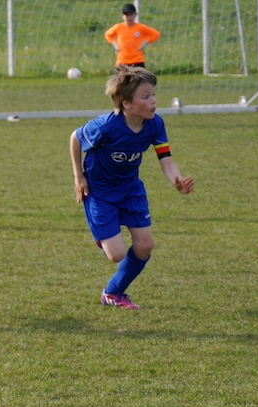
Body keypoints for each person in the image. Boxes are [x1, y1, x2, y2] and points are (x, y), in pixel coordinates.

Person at [69, 65, 194, 309]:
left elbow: (166, 160)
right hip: (100, 193)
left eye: (153, 94)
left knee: (145, 246)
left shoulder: (155, 124)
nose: (153, 101)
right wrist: (78, 176)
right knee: (116, 255)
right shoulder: (105, 127)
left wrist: (176, 181)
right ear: (126, 103)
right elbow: (75, 137)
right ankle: (105, 236)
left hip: (131, 190)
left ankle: (113, 293)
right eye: (145, 97)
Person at [104, 3, 161, 68]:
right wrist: (115, 44)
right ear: (122, 16)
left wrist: (145, 42)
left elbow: (156, 34)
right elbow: (107, 34)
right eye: (127, 15)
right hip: (122, 61)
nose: (129, 18)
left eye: (131, 15)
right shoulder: (118, 27)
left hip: (138, 60)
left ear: (135, 15)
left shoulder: (140, 28)